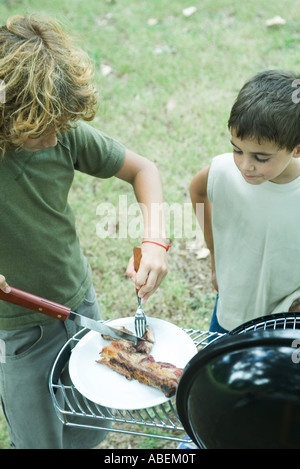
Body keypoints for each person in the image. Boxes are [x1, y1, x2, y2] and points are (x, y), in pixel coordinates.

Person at [0, 14, 169, 449]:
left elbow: (142, 170)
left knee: (92, 426)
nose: (57, 140)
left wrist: (153, 242)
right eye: (42, 131)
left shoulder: (63, 132)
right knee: (39, 440)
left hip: (79, 305)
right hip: (18, 332)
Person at [190, 69, 300, 334]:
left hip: (284, 320)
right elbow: (198, 191)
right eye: (237, 149)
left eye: (261, 157)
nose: (245, 165)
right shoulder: (224, 172)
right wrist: (214, 255)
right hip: (231, 309)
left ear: (296, 148)